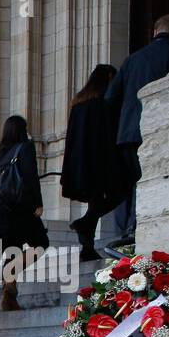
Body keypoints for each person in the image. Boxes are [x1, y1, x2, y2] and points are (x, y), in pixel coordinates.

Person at [105, 14, 169, 244]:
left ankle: (130, 227)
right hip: (165, 129)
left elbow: (111, 97)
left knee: (134, 179)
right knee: (160, 177)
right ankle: (143, 226)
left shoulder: (133, 59)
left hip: (129, 132)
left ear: (155, 32)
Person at [0, 114, 48, 312]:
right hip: (18, 209)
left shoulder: (0, 155)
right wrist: (38, 203)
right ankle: (9, 274)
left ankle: (9, 297)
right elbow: (31, 177)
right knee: (41, 244)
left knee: (12, 250)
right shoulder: (25, 148)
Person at [62, 63, 121, 261]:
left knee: (94, 202)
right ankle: (85, 224)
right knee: (119, 192)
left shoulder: (79, 104)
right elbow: (104, 137)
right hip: (97, 162)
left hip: (79, 164)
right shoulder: (100, 104)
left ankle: (87, 247)